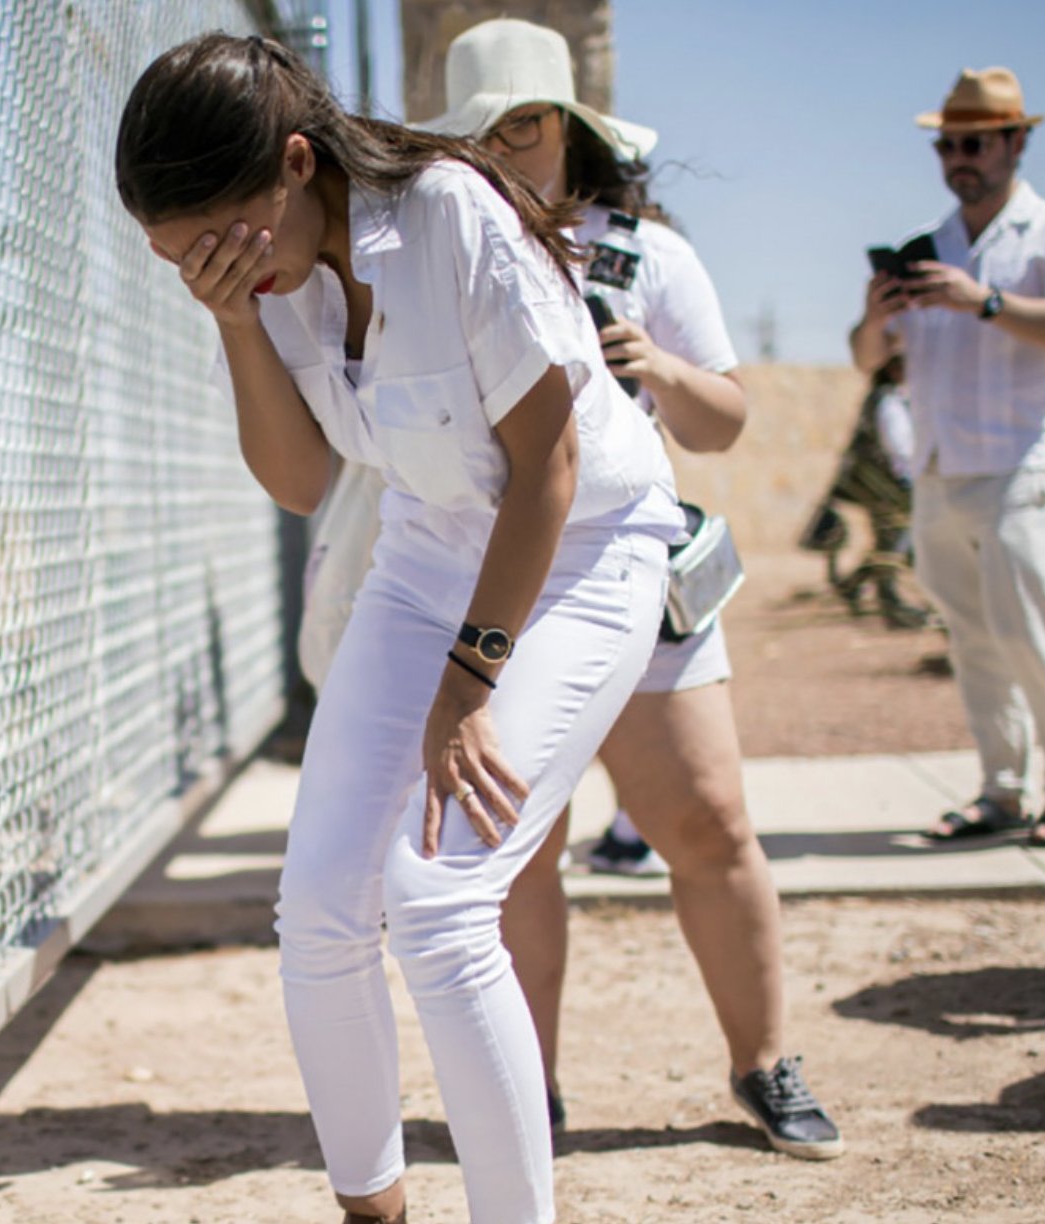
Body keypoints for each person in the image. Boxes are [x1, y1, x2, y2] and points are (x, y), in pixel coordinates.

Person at [116, 32, 687, 1224]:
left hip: (582, 549)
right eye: (184, 263)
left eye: (222, 243)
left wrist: (467, 683)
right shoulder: (261, 275)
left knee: (435, 901)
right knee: (318, 900)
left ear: (292, 162)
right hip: (428, 551)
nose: (216, 269)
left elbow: (551, 464)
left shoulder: (447, 214)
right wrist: (232, 324)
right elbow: (300, 480)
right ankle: (370, 1210)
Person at [418, 18, 842, 1159]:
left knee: (706, 823)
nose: (506, 148)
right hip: (507, 595)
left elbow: (727, 422)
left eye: (525, 123)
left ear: (569, 129)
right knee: (516, 851)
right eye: (478, 132)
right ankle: (528, 1089)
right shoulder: (436, 258)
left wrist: (657, 367)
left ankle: (762, 1063)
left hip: (641, 590)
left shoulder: (650, 256)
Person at [849, 66, 1045, 849]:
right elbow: (870, 360)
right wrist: (876, 315)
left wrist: (984, 301)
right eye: (948, 144)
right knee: (973, 639)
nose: (959, 157)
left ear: (1016, 143)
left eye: (974, 143)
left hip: (1024, 463)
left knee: (1032, 631)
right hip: (938, 467)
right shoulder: (929, 247)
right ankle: (1003, 790)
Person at [809, 354, 926, 628]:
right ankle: (888, 602)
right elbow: (899, 447)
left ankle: (858, 588)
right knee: (894, 542)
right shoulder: (888, 400)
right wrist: (910, 477)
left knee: (890, 544)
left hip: (884, 483)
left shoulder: (888, 398)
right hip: (888, 484)